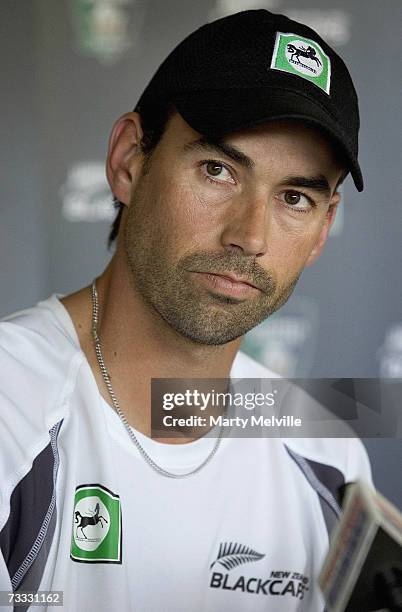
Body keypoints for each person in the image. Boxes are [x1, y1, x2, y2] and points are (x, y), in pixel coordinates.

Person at [0, 9, 372, 612]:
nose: (249, 235)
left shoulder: (325, 449)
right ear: (128, 161)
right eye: (218, 170)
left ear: (323, 228)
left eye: (295, 197)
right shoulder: (11, 404)